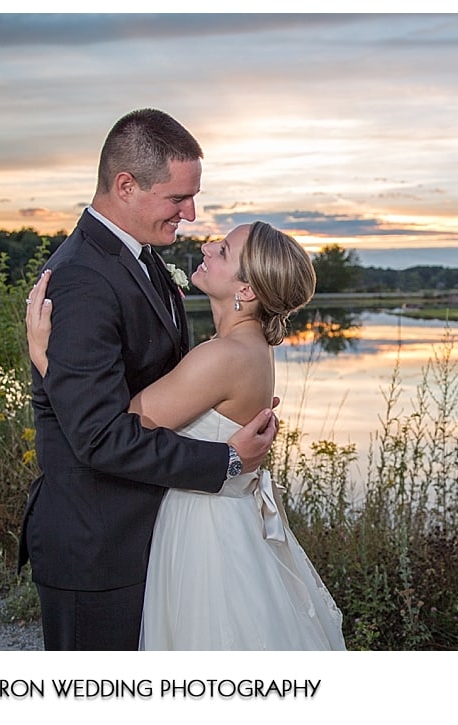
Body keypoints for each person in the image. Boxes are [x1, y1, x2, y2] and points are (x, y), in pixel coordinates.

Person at [17, 109, 278, 650]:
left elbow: (170, 390)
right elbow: (98, 435)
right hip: (97, 546)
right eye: (178, 197)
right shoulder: (85, 277)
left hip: (151, 537)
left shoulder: (143, 260)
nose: (191, 212)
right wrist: (227, 459)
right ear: (126, 185)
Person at [27, 221, 345, 650]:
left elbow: (117, 425)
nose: (209, 246)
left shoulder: (221, 356)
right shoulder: (251, 347)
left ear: (246, 290)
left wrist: (47, 360)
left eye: (225, 251)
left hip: (204, 532)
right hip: (225, 516)